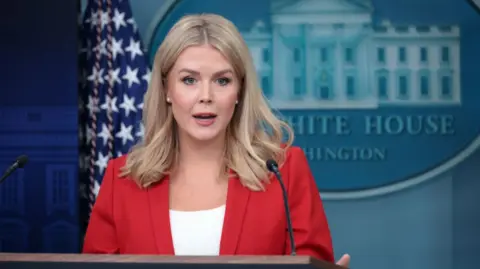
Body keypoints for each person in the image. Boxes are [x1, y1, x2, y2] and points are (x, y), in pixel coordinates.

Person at [82, 13, 350, 267]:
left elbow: (310, 262)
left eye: (222, 81)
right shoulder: (122, 180)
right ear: (166, 89)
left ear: (239, 91)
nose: (206, 95)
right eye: (189, 80)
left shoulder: (284, 171)